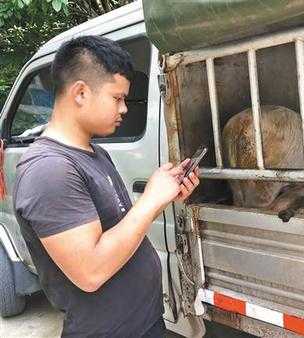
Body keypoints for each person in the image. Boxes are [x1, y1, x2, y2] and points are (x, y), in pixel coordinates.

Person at [13, 36, 199, 337]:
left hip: (144, 322)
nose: (124, 108)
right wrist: (150, 200)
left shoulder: (95, 153)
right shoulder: (49, 170)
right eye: (117, 98)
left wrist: (163, 196)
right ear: (81, 93)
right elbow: (91, 271)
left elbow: (119, 229)